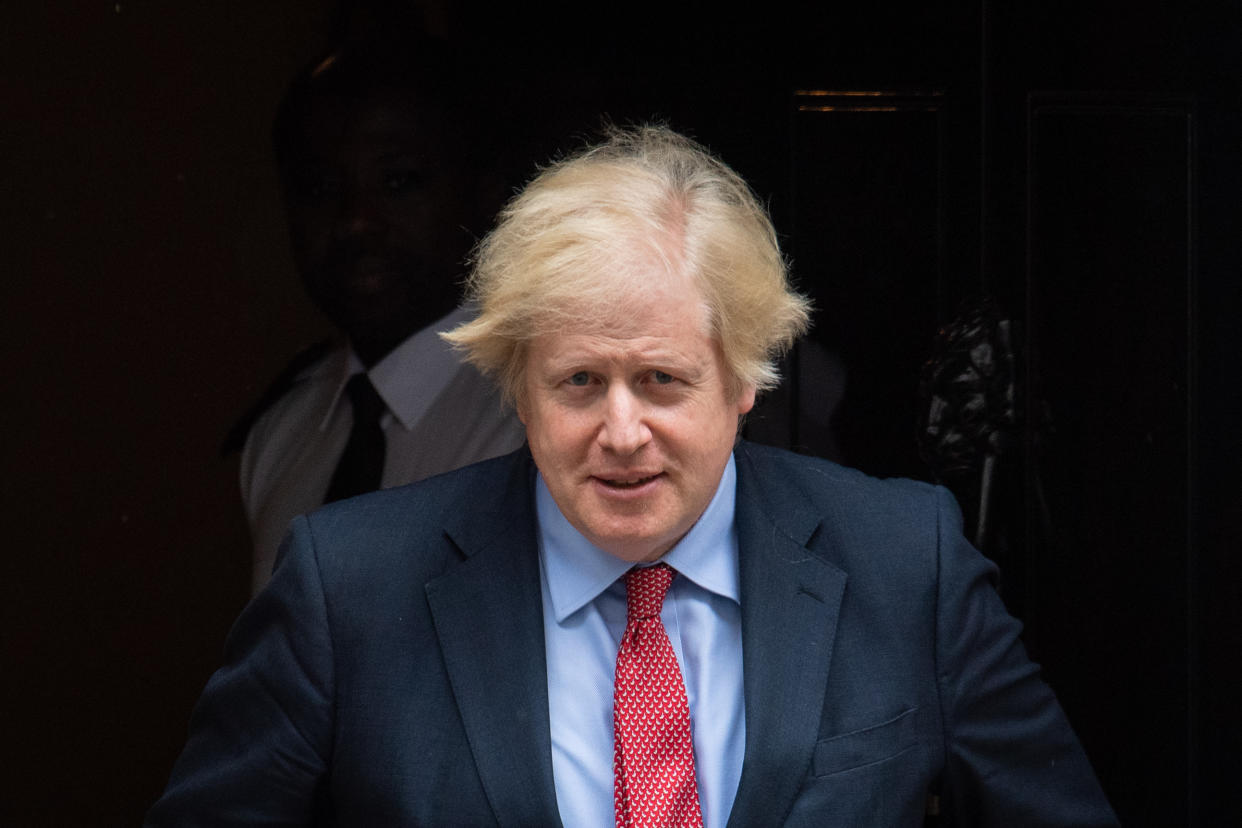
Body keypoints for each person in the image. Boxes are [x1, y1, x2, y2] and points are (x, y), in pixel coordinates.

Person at [151, 125, 1117, 826]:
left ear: (743, 379)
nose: (622, 432)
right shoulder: (349, 586)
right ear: (518, 391)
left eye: (662, 380)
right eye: (579, 382)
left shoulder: (905, 563)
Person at [230, 39, 525, 593]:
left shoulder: (535, 411)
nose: (355, 223)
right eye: (320, 189)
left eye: (398, 182)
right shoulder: (282, 435)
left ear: (485, 191)